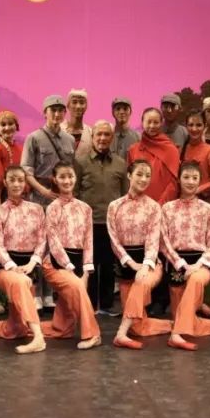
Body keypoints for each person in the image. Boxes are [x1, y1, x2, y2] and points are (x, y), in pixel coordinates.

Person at [107, 160, 173, 349]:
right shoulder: (114, 206)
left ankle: (120, 334)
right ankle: (175, 325)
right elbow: (114, 240)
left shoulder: (153, 207)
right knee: (137, 326)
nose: (144, 179)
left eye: (147, 176)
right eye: (139, 174)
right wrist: (131, 263)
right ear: (129, 175)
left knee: (141, 283)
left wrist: (144, 265)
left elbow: (153, 240)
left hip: (149, 264)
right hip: (125, 265)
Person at [162, 162, 210, 351]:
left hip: (201, 265)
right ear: (179, 179)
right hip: (176, 263)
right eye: (186, 177)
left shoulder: (208, 209)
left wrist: (197, 266)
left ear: (200, 181)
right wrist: (182, 264)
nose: (190, 182)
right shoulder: (168, 208)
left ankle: (175, 335)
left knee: (196, 280)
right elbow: (163, 242)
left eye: (195, 178)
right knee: (185, 321)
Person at [0, 166, 49, 354]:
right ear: (5, 182)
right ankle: (38, 337)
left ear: (25, 183)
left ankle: (15, 326)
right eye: (12, 180)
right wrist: (13, 267)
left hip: (30, 267)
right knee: (20, 282)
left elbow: (42, 240)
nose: (16, 184)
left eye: (20, 180)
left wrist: (32, 263)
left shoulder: (37, 210)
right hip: (5, 269)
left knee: (17, 321)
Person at [42, 163, 102, 349]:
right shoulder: (52, 208)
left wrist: (86, 271)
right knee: (76, 286)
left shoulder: (85, 208)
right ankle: (93, 334)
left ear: (75, 178)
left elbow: (88, 241)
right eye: (62, 177)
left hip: (79, 261)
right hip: (55, 263)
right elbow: (53, 242)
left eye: (70, 176)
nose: (67, 181)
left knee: (75, 289)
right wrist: (70, 267)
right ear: (55, 179)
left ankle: (62, 327)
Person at [74, 120, 129, 315]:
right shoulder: (80, 162)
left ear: (112, 138)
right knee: (89, 266)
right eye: (99, 134)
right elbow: (74, 192)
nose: (103, 138)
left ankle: (106, 306)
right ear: (92, 137)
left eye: (107, 134)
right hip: (88, 223)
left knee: (107, 266)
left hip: (111, 224)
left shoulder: (120, 164)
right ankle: (89, 305)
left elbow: (125, 195)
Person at [21, 95, 76, 206]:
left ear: (65, 113)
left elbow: (72, 169)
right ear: (45, 113)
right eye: (53, 110)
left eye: (60, 110)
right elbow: (26, 170)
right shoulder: (33, 138)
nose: (57, 114)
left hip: (63, 196)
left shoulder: (70, 139)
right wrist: (43, 191)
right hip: (39, 198)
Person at [127, 107, 180, 204]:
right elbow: (130, 180)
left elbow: (173, 183)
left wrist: (159, 206)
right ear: (142, 123)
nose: (152, 126)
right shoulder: (133, 149)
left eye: (156, 122)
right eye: (149, 122)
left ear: (161, 123)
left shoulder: (171, 149)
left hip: (163, 205)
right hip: (137, 204)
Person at [181, 110, 210, 204]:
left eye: (198, 125)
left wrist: (198, 190)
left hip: (206, 202)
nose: (194, 129)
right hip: (184, 201)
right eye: (191, 125)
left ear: (205, 126)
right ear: (186, 126)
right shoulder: (181, 150)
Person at [0, 109, 24, 199]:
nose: (7, 128)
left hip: (24, 194)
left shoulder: (21, 148)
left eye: (10, 124)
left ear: (16, 126)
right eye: (3, 125)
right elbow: (0, 179)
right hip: (5, 196)